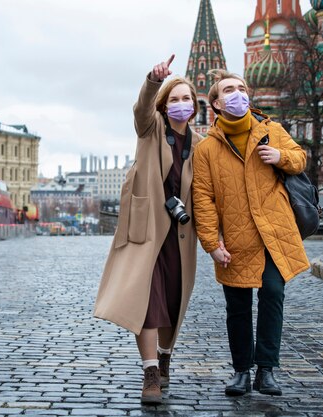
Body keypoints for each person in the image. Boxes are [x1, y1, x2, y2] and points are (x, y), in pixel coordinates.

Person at [192, 69, 310, 397]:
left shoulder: (271, 130)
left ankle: (267, 370)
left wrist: (281, 156)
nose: (237, 94)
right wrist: (211, 242)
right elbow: (202, 198)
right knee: (238, 305)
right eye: (229, 90)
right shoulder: (206, 149)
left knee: (273, 294)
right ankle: (241, 371)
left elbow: (300, 158)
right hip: (235, 236)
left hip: (274, 232)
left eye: (241, 88)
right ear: (215, 103)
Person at [94, 55, 202, 405]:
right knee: (149, 298)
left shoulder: (201, 144)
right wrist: (153, 81)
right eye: (174, 99)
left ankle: (165, 353)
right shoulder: (152, 127)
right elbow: (141, 109)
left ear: (196, 106)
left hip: (181, 233)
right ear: (164, 104)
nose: (181, 105)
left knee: (173, 298)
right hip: (147, 227)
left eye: (187, 99)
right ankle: (151, 372)